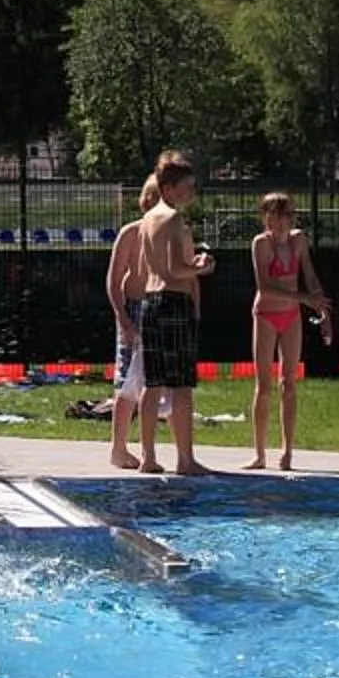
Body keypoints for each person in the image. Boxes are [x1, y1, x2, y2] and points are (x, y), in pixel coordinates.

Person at [127, 154, 216, 476]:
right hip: (173, 303)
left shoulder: (147, 220)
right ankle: (185, 459)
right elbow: (173, 271)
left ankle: (148, 457)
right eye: (186, 187)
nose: (191, 193)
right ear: (169, 187)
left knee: (152, 384)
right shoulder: (173, 220)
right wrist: (201, 268)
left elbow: (143, 271)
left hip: (150, 304)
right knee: (180, 386)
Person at [247, 193, 333, 472]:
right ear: (266, 217)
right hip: (267, 315)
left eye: (285, 215)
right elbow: (265, 287)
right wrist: (305, 298)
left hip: (291, 315)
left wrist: (323, 312)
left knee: (289, 383)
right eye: (273, 215)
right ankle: (259, 453)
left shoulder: (298, 241)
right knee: (263, 385)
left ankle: (287, 451)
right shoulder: (261, 244)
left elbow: (309, 274)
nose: (279, 221)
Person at [102, 176, 159, 472]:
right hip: (135, 310)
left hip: (161, 310)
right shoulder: (131, 233)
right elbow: (113, 281)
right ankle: (118, 447)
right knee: (127, 384)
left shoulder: (173, 233)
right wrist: (123, 318)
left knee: (162, 383)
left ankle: (156, 449)